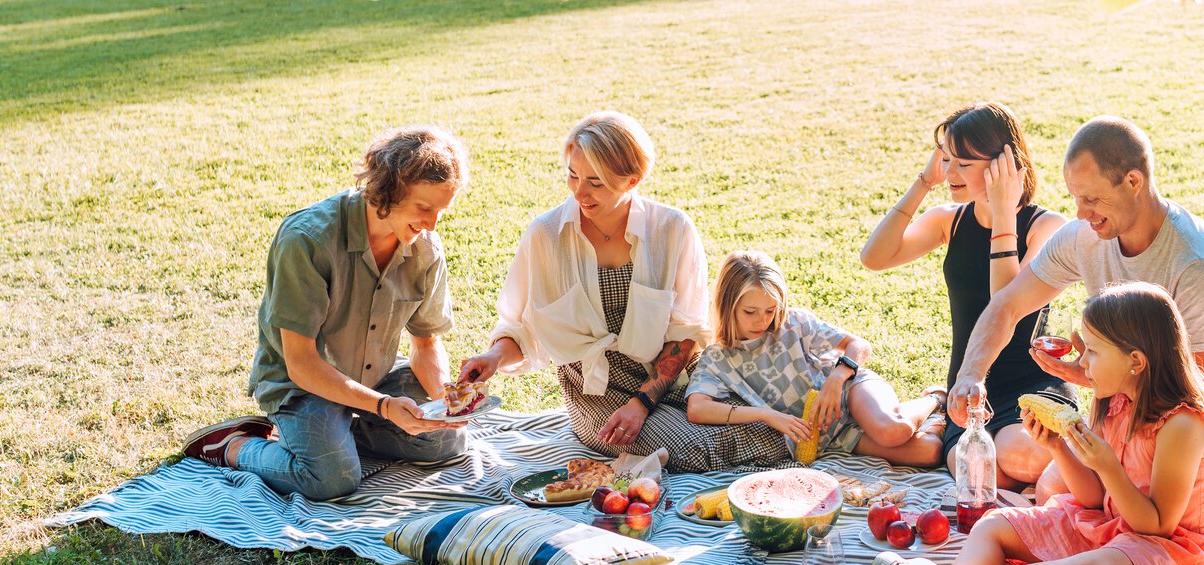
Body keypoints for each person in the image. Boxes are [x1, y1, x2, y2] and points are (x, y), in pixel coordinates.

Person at [846, 283, 1204, 565]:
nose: (1081, 365)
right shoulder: (1115, 402)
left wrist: (1107, 465)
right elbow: (1092, 499)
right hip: (1116, 526)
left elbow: (1157, 525)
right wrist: (1057, 447)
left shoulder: (1182, 425)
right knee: (995, 524)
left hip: (1177, 551)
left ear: (1135, 361)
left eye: (1093, 352)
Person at [945, 116, 1204, 502]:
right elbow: (1007, 304)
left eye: (1091, 199)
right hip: (1132, 394)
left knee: (1120, 501)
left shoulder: (1201, 263)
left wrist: (1104, 378)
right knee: (1055, 489)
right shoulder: (1084, 238)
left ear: (1133, 181)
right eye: (1075, 198)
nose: (1080, 213)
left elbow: (1199, 394)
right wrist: (970, 376)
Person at [455, 112, 789, 472]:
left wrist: (643, 401)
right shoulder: (546, 235)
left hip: (672, 376)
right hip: (597, 390)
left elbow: (686, 333)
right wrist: (493, 357)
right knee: (689, 448)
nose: (579, 192)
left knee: (771, 419)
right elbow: (523, 327)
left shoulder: (672, 229)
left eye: (595, 183)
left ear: (632, 180)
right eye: (572, 175)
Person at [179, 126, 471, 500]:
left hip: (374, 376)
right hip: (302, 384)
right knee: (332, 480)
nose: (432, 224)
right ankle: (235, 445)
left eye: (441, 211)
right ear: (389, 190)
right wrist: (384, 408)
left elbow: (426, 343)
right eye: (424, 208)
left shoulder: (426, 248)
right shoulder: (307, 239)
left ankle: (337, 435)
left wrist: (445, 404)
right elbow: (301, 364)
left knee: (447, 441)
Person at [860, 102, 1076, 485]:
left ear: (1002, 164)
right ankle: (944, 408)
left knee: (1022, 460)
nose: (949, 173)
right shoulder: (950, 220)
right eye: (946, 159)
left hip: (1033, 386)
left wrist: (1004, 212)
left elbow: (1005, 303)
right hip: (968, 390)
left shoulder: (1047, 227)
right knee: (975, 473)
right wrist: (924, 182)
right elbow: (874, 257)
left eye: (963, 163)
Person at [686, 251, 945, 467]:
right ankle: (933, 419)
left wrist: (836, 379)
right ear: (727, 305)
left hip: (850, 390)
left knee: (892, 430)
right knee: (930, 452)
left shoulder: (794, 323)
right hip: (833, 435)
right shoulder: (718, 358)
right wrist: (765, 415)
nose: (762, 321)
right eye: (750, 311)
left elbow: (858, 345)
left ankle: (935, 398)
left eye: (770, 310)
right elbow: (697, 408)